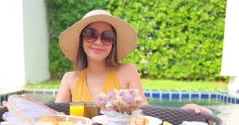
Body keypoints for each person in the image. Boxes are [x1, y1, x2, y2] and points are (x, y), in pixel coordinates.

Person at [55, 10, 213, 115]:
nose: (98, 42)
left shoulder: (127, 71)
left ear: (113, 43)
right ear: (81, 39)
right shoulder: (70, 79)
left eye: (107, 36)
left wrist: (182, 112)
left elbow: (145, 112)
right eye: (90, 34)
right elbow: (53, 118)